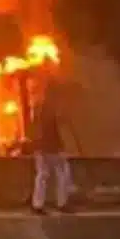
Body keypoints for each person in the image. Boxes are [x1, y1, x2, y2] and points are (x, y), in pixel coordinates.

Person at [30, 77, 74, 215]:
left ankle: (39, 205)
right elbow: (52, 128)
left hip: (43, 146)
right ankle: (60, 204)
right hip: (49, 147)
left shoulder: (40, 106)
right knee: (61, 173)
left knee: (44, 175)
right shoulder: (49, 107)